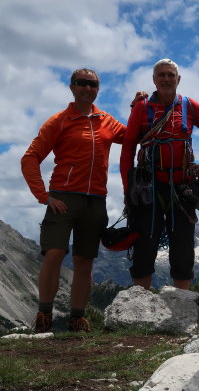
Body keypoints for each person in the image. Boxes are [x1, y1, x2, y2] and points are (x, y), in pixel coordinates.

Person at [21, 68, 126, 333]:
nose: (87, 88)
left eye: (93, 84)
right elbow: (30, 158)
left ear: (98, 89)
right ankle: (44, 315)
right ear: (72, 87)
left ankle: (77, 319)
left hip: (96, 199)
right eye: (82, 83)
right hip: (64, 198)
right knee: (54, 253)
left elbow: (131, 135)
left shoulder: (106, 121)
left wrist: (140, 106)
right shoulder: (59, 121)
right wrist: (43, 196)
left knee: (84, 260)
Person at [120, 59, 199, 290]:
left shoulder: (189, 106)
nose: (166, 79)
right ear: (154, 80)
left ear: (178, 80)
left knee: (183, 245)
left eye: (171, 75)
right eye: (161, 75)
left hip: (183, 186)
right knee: (144, 244)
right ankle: (140, 306)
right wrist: (128, 189)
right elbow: (128, 147)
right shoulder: (141, 108)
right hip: (148, 187)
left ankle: (183, 306)